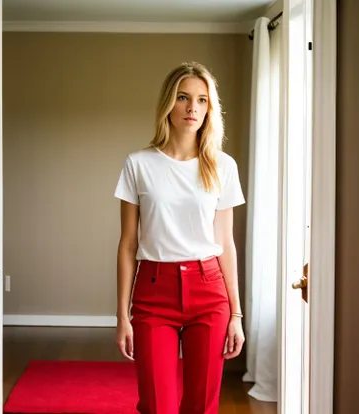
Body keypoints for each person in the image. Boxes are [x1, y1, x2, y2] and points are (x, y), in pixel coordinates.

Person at [113, 61, 246, 414]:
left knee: (202, 405)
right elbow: (128, 244)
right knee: (158, 406)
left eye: (202, 100)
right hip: (154, 291)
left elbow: (226, 243)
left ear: (209, 108)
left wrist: (236, 314)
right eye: (184, 98)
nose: (193, 108)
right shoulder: (138, 164)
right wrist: (121, 316)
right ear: (168, 104)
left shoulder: (223, 166)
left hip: (209, 289)